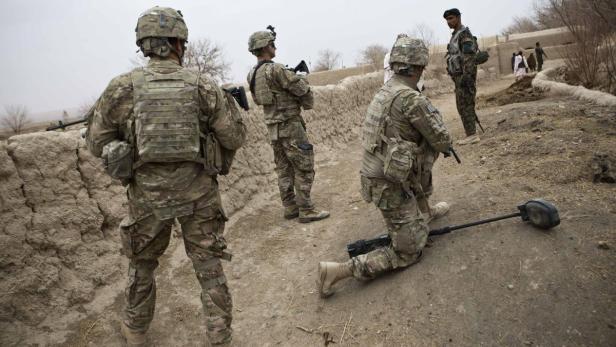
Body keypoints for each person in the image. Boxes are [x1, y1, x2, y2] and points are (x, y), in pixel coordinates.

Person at [86, 7, 246, 346]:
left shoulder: (122, 88)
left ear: (144, 44)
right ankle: (219, 336)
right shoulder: (203, 85)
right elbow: (233, 138)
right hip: (199, 194)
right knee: (209, 266)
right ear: (178, 42)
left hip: (146, 197)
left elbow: (96, 142)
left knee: (142, 264)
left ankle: (136, 332)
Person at [317, 37, 452, 298]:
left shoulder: (386, 89)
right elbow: (443, 140)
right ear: (419, 66)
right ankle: (337, 271)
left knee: (415, 155)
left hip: (383, 175)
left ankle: (425, 212)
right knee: (409, 251)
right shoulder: (411, 99)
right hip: (388, 185)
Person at [246, 27, 330, 223]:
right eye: (272, 43)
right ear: (266, 46)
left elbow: (260, 100)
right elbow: (301, 90)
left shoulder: (252, 74)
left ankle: (290, 207)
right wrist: (301, 77)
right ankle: (306, 209)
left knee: (284, 169)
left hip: (273, 128)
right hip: (291, 125)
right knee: (304, 166)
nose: (275, 47)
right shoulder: (276, 69)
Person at [443, 8, 481, 145]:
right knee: (461, 104)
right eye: (447, 20)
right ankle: (470, 133)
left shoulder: (464, 34)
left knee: (466, 103)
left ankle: (472, 134)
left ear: (458, 17)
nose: (449, 22)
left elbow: (469, 57)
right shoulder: (455, 35)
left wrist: (467, 76)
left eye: (451, 18)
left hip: (465, 75)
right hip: (458, 76)